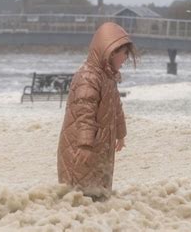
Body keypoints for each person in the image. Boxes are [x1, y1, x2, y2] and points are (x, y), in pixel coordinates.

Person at [57, 22, 137, 200]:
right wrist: (84, 145)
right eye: (124, 54)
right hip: (81, 147)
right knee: (77, 192)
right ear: (111, 51)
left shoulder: (108, 77)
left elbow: (116, 109)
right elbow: (84, 113)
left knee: (98, 192)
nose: (125, 59)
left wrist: (121, 134)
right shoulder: (88, 77)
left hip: (101, 146)